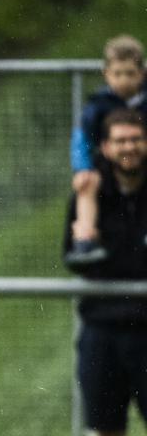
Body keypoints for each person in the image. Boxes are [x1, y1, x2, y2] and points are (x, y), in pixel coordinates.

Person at [62, 107, 147, 436]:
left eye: (136, 138)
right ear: (107, 147)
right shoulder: (89, 193)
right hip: (102, 330)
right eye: (121, 140)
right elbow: (76, 257)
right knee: (107, 428)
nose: (129, 147)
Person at [67, 35, 147, 265]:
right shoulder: (98, 104)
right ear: (106, 74)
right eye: (117, 74)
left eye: (130, 73)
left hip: (142, 161)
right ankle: (84, 240)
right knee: (87, 184)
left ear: (141, 74)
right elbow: (82, 138)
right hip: (109, 165)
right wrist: (82, 168)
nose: (123, 81)